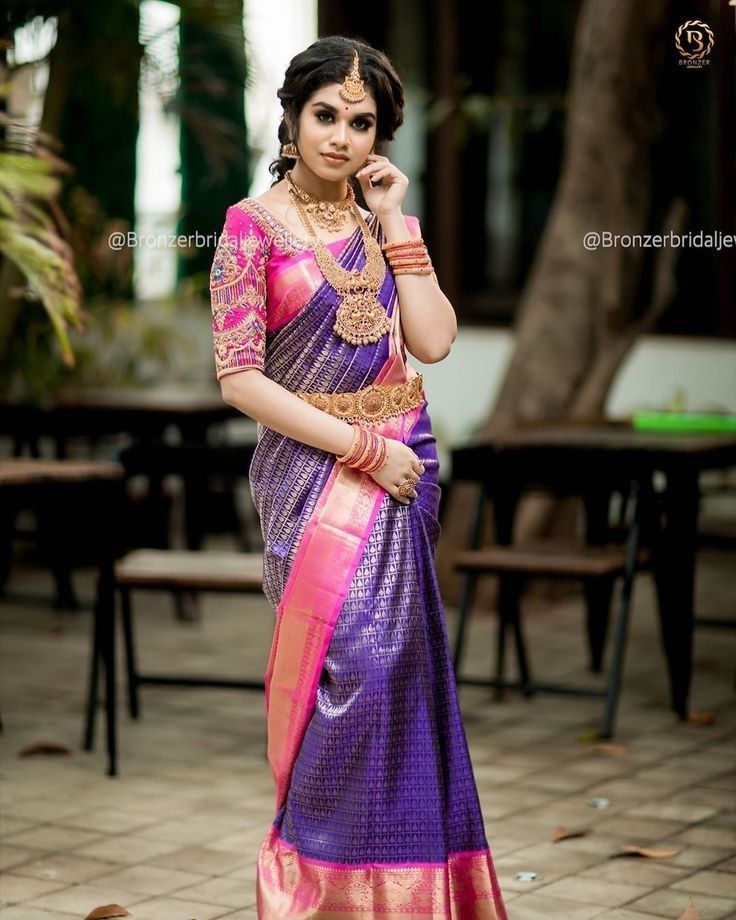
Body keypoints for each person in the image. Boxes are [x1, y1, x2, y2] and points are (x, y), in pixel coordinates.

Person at [209, 35, 508, 919]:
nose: (341, 136)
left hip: (406, 475)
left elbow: (434, 342)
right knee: (354, 679)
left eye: (362, 122)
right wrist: (362, 450)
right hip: (319, 481)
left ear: (381, 136)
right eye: (326, 115)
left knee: (404, 682)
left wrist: (399, 224)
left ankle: (406, 892)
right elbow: (240, 378)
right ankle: (317, 891)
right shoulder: (248, 227)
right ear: (294, 118)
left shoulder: (380, 223)